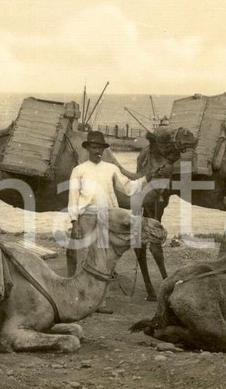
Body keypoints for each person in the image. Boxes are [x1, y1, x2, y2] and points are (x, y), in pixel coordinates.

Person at [67, 131, 158, 313]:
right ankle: (81, 301)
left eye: (100, 147)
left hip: (107, 217)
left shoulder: (111, 169)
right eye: (94, 147)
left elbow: (129, 187)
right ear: (87, 149)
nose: (97, 151)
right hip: (87, 217)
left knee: (104, 260)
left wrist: (148, 177)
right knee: (85, 258)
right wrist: (74, 222)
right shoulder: (79, 170)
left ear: (103, 149)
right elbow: (73, 198)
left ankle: (100, 303)